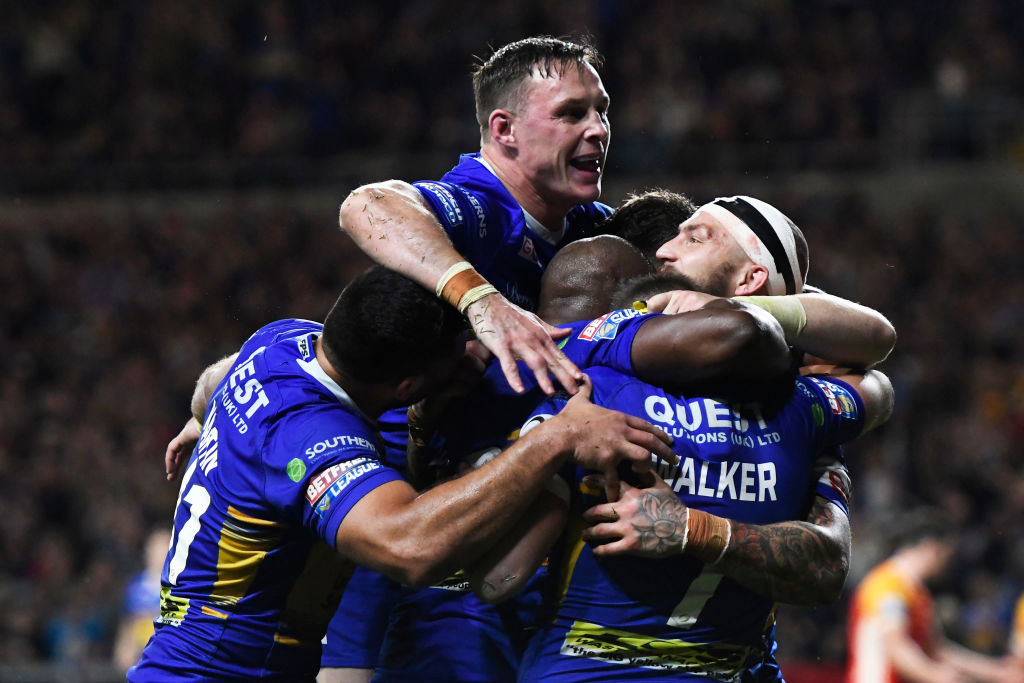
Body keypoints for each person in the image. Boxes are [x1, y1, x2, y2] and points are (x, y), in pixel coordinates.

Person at [129, 267, 674, 682]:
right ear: (409, 387)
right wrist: (555, 438)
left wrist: (212, 418)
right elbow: (408, 545)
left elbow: (211, 389)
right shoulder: (313, 437)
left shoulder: (281, 339)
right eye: (453, 356)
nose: (469, 358)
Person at [327, 35, 615, 681]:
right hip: (423, 553)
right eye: (572, 113)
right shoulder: (482, 209)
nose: (598, 130)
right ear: (504, 129)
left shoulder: (587, 229)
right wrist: (482, 301)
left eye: (601, 109)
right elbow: (365, 205)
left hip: (506, 544)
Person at [846, 510, 1024, 683]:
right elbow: (896, 644)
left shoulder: (919, 594)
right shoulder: (886, 586)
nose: (947, 563)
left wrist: (997, 672)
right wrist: (934, 675)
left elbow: (938, 650)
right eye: (947, 554)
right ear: (931, 547)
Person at [113, 528, 172, 674]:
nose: (160, 554)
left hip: (167, 651)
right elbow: (128, 622)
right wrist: (123, 648)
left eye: (164, 548)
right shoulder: (135, 586)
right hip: (140, 654)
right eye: (156, 549)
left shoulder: (178, 586)